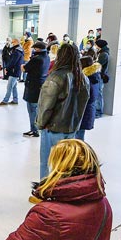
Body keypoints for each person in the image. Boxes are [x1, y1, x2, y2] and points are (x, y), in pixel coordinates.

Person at [36, 43, 90, 180]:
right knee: (65, 164)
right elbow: (83, 104)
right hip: (72, 128)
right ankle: (62, 192)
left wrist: (40, 124)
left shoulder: (56, 77)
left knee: (47, 163)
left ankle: (45, 191)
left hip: (53, 128)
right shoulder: (83, 78)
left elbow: (45, 106)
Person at [21, 41, 49, 138]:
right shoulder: (47, 57)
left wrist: (23, 66)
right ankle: (36, 129)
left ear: (38, 49)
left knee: (32, 109)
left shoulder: (36, 59)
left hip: (33, 86)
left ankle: (34, 130)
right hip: (41, 85)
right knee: (37, 109)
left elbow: (24, 68)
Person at [74, 55, 101, 140]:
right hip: (88, 109)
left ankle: (80, 152)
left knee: (79, 135)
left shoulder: (86, 79)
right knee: (80, 133)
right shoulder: (95, 75)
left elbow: (84, 96)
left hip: (83, 110)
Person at [0, 38, 24, 106]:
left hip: (14, 71)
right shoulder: (18, 50)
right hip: (15, 70)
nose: (11, 44)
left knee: (9, 86)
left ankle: (5, 100)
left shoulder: (17, 52)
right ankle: (15, 99)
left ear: (16, 42)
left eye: (13, 42)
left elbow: (12, 61)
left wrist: (7, 68)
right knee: (14, 86)